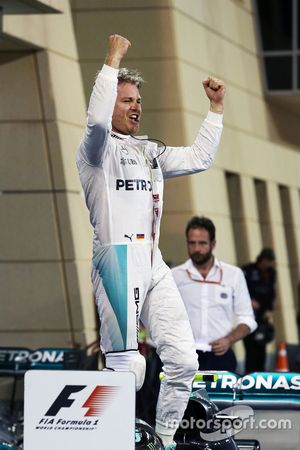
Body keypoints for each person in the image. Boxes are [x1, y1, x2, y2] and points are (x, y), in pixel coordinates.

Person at [76, 34, 225, 449]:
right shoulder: (95, 150)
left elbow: (200, 157)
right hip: (116, 259)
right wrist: (112, 58)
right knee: (128, 365)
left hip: (153, 259)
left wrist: (215, 109)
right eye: (126, 100)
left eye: (138, 100)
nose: (136, 106)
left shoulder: (150, 152)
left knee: (182, 361)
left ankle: (163, 440)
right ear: (110, 104)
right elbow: (95, 121)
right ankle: (108, 441)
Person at [172, 216, 257, 372]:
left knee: (220, 398)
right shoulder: (174, 276)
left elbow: (247, 319)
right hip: (183, 357)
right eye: (192, 243)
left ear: (213, 244)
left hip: (220, 357)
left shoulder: (234, 274)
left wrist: (229, 340)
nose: (197, 249)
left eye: (202, 243)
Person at [242, 248, 276, 372]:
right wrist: (249, 300)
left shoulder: (271, 273)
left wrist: (269, 309)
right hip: (249, 315)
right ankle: (249, 376)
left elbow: (272, 293)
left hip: (262, 317)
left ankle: (261, 375)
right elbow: (240, 289)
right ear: (263, 260)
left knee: (261, 347)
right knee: (251, 350)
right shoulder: (248, 270)